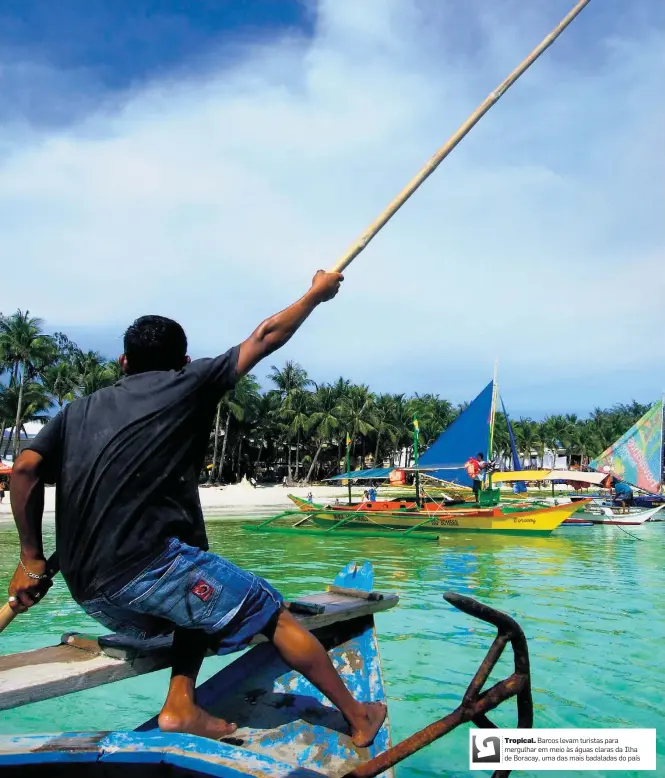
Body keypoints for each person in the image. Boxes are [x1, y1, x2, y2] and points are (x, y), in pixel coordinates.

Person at [7, 270, 385, 747]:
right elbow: (265, 337)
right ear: (183, 362)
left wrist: (32, 561)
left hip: (90, 592)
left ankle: (180, 704)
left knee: (200, 587)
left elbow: (24, 470)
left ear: (123, 361)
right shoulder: (188, 383)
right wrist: (316, 294)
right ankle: (357, 716)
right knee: (272, 613)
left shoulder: (77, 409)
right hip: (143, 575)